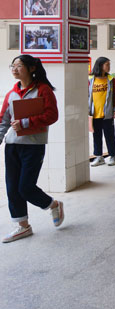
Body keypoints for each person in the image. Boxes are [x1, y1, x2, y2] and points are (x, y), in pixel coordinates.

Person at [0, 55, 64, 243]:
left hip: (33, 145)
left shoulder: (43, 90)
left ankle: (53, 205)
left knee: (25, 187)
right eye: (12, 65)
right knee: (12, 187)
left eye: (19, 65)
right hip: (12, 146)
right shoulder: (12, 93)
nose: (14, 69)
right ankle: (23, 226)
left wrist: (26, 122)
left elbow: (52, 115)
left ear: (31, 68)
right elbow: (3, 120)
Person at [89, 57, 115, 167]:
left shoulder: (111, 80)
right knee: (96, 136)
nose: (109, 67)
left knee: (110, 135)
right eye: (107, 64)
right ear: (100, 65)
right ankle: (99, 157)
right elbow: (86, 95)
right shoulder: (90, 79)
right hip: (94, 114)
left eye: (109, 64)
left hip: (107, 114)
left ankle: (113, 156)